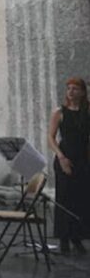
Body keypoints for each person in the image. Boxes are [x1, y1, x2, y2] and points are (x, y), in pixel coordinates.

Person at [48, 77, 90, 254]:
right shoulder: (60, 112)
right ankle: (64, 238)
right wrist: (61, 157)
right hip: (64, 157)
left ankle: (78, 237)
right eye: (68, 89)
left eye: (75, 89)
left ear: (82, 92)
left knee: (81, 199)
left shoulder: (87, 112)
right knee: (64, 198)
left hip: (83, 158)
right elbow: (51, 137)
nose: (71, 92)